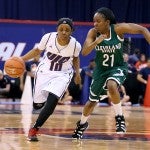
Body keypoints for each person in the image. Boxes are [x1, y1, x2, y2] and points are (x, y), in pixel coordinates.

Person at [72, 7, 150, 139]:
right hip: (100, 70)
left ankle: (119, 118)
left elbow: (143, 29)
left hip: (117, 67)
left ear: (107, 22)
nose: (95, 24)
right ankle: (82, 124)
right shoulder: (92, 33)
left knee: (112, 85)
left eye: (98, 21)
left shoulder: (118, 29)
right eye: (94, 21)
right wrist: (97, 42)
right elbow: (84, 52)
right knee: (91, 103)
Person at [21, 18, 82, 141]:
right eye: (61, 29)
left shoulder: (75, 45)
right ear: (57, 30)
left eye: (67, 30)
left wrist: (77, 74)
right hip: (45, 71)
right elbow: (37, 50)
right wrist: (22, 59)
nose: (64, 32)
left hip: (63, 74)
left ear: (72, 31)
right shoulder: (48, 37)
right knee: (38, 105)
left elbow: (75, 58)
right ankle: (39, 104)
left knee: (53, 100)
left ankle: (34, 129)